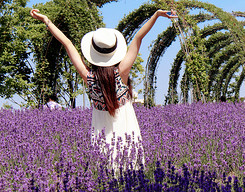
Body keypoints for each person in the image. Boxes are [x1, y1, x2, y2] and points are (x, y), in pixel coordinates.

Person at [30, 8, 176, 153]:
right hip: (126, 129)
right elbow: (138, 38)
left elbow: (67, 43)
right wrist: (156, 15)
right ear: (114, 51)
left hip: (100, 130)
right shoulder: (122, 72)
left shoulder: (88, 77)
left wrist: (46, 20)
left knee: (104, 168)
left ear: (93, 52)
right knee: (130, 168)